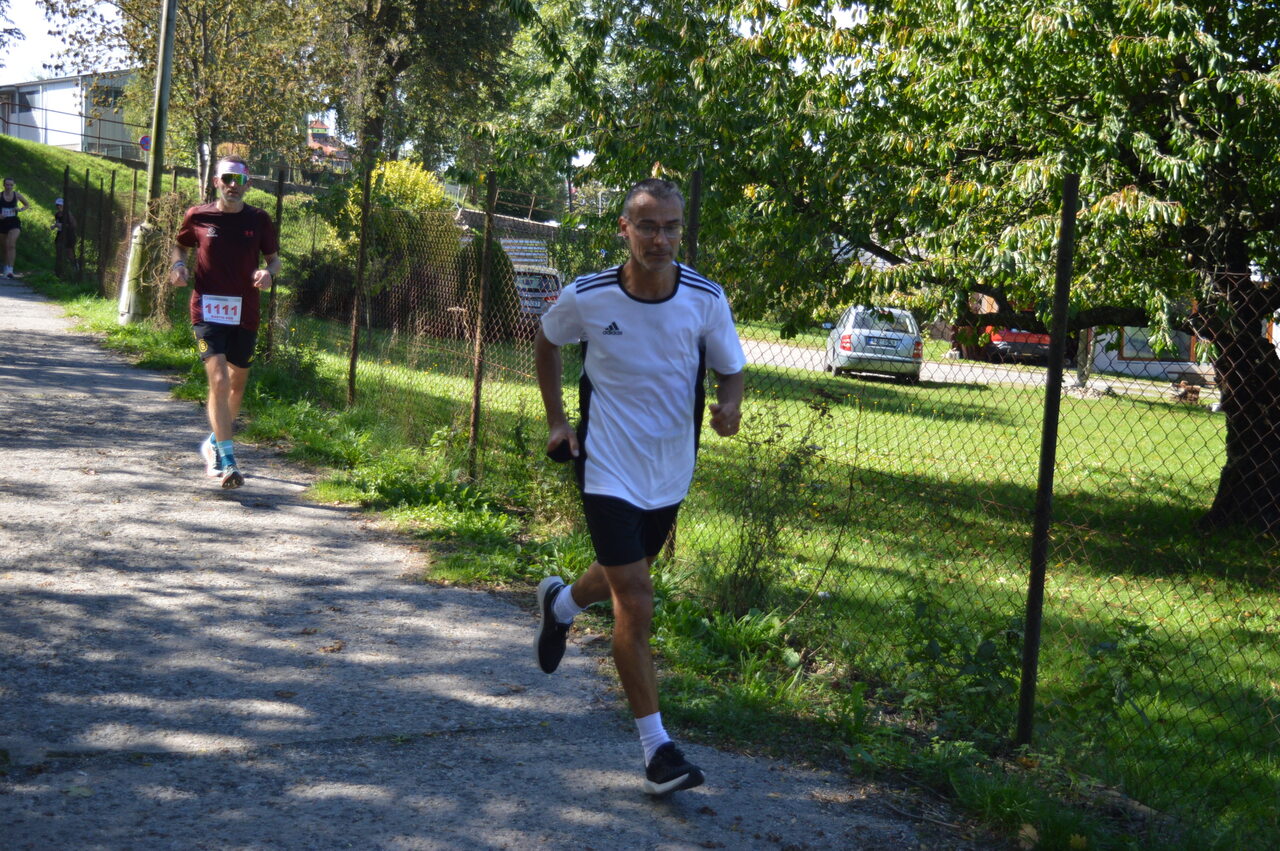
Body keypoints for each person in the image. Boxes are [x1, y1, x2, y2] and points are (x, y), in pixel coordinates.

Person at [533, 177, 746, 796]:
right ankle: (659, 752)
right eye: (648, 226)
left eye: (671, 227)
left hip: (670, 468)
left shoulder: (705, 298)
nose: (661, 239)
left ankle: (561, 606)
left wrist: (730, 407)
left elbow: (730, 370)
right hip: (604, 463)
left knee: (623, 573)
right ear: (625, 229)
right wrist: (557, 420)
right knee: (636, 596)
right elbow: (547, 341)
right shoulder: (589, 295)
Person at [169, 156, 280, 489]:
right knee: (218, 380)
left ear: (248, 184)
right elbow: (180, 246)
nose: (234, 184)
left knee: (236, 385)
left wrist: (268, 274)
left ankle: (214, 442)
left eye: (240, 179)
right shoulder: (197, 215)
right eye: (228, 178)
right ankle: (227, 460)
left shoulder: (259, 219)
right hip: (207, 311)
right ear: (216, 181)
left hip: (245, 312)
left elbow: (274, 260)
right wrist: (178, 266)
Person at [1, 177, 30, 278]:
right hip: (2, 223)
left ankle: (10, 270)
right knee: (4, 247)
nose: (9, 187)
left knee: (11, 244)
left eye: (11, 185)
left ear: (13, 186)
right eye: (7, 184)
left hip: (14, 222)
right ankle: (5, 268)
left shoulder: (17, 195)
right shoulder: (0, 196)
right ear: (4, 185)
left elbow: (27, 204)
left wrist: (20, 209)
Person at [52, 198, 78, 272]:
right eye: (57, 205)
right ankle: (59, 267)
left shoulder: (68, 215)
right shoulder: (57, 214)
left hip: (69, 235)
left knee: (69, 252)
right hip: (60, 234)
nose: (58, 207)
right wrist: (54, 226)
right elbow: (58, 223)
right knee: (58, 248)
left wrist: (62, 225)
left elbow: (73, 225)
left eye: (60, 205)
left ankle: (75, 266)